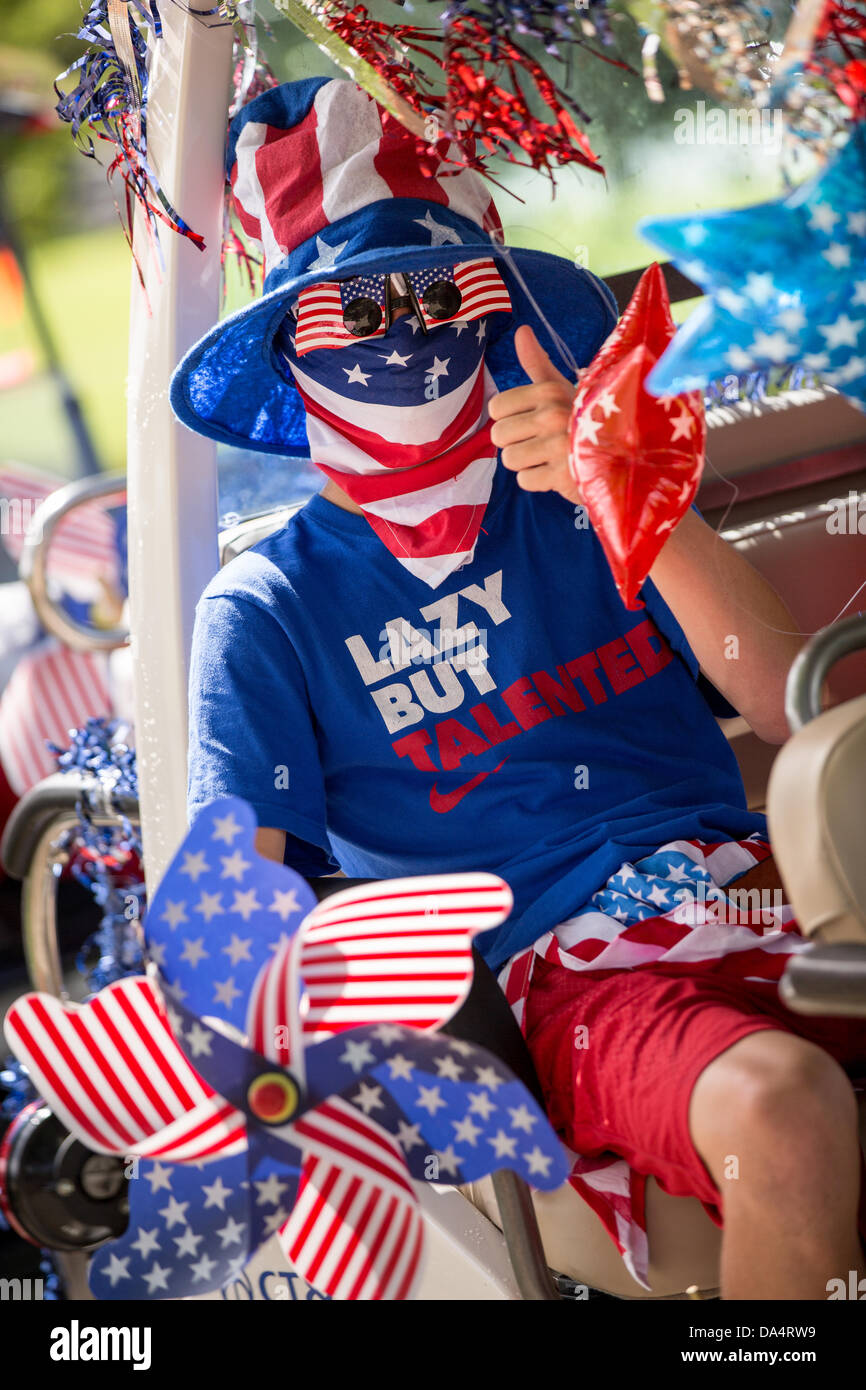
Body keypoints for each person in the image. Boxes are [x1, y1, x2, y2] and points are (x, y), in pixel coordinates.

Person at [172, 77, 866, 1300]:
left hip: (766, 905)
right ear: (291, 337)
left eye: (445, 293)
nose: (405, 331)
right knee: (787, 1109)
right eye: (355, 304)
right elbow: (248, 929)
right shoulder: (269, 609)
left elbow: (785, 709)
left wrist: (630, 493)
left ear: (498, 313)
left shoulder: (584, 499)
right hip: (551, 986)